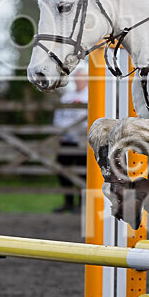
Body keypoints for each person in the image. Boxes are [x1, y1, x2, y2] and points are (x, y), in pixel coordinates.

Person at [52, 68, 88, 212]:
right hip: (67, 140)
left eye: (81, 78)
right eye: (76, 78)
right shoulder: (66, 97)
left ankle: (81, 204)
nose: (78, 81)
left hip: (83, 141)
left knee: (83, 172)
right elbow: (58, 118)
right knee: (62, 169)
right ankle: (68, 202)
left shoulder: (91, 96)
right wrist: (64, 130)